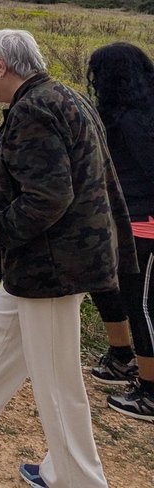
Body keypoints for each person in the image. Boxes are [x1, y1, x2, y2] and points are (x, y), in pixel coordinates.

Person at [0, 29, 136, 488]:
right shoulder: (65, 96)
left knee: (58, 378)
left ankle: (76, 477)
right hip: (57, 256)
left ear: (0, 64)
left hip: (56, 264)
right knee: (2, 327)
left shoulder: (34, 112)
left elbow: (47, 198)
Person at [86, 42, 154, 422]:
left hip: (143, 225)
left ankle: (150, 392)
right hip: (122, 220)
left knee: (142, 305)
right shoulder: (125, 114)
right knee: (109, 288)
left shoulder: (135, 121)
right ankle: (122, 356)